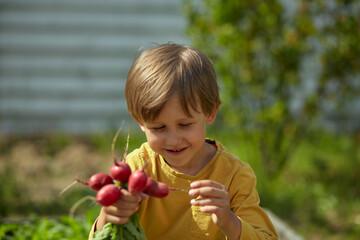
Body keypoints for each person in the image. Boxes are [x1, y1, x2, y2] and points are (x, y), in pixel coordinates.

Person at [89, 43, 278, 240]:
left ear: (210, 112)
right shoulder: (136, 169)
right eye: (158, 128)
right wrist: (109, 216)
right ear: (140, 122)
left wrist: (229, 220)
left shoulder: (234, 176)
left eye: (185, 124)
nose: (173, 140)